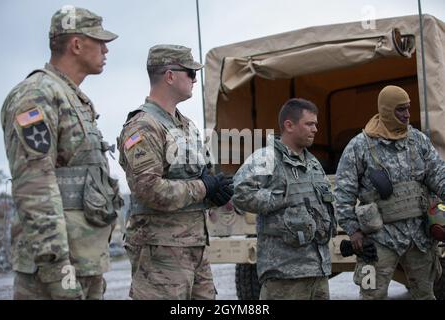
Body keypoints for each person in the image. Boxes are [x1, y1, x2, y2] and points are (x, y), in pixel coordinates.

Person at [0, 6, 122, 300]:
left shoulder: (74, 98)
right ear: (76, 44)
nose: (106, 49)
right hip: (53, 269)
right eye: (99, 40)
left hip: (84, 261)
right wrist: (59, 272)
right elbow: (35, 188)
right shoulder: (37, 95)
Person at [117, 44, 233, 300]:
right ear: (170, 76)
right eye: (190, 73)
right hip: (161, 252)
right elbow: (149, 190)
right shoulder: (143, 126)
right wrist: (204, 188)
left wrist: (216, 194)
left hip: (194, 247)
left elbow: (199, 177)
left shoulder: (186, 126)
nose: (195, 78)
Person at [334, 85, 444, 300]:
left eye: (408, 109)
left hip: (419, 236)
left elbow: (439, 175)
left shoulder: (418, 140)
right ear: (386, 110)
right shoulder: (360, 146)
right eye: (400, 110)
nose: (407, 115)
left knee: (425, 294)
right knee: (372, 294)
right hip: (379, 238)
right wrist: (353, 230)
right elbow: (343, 192)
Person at [233, 98, 336, 300]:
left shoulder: (312, 163)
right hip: (284, 275)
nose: (315, 129)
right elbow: (240, 193)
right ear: (289, 125)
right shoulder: (267, 158)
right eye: (309, 124)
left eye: (315, 124)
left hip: (317, 272)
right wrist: (277, 198)